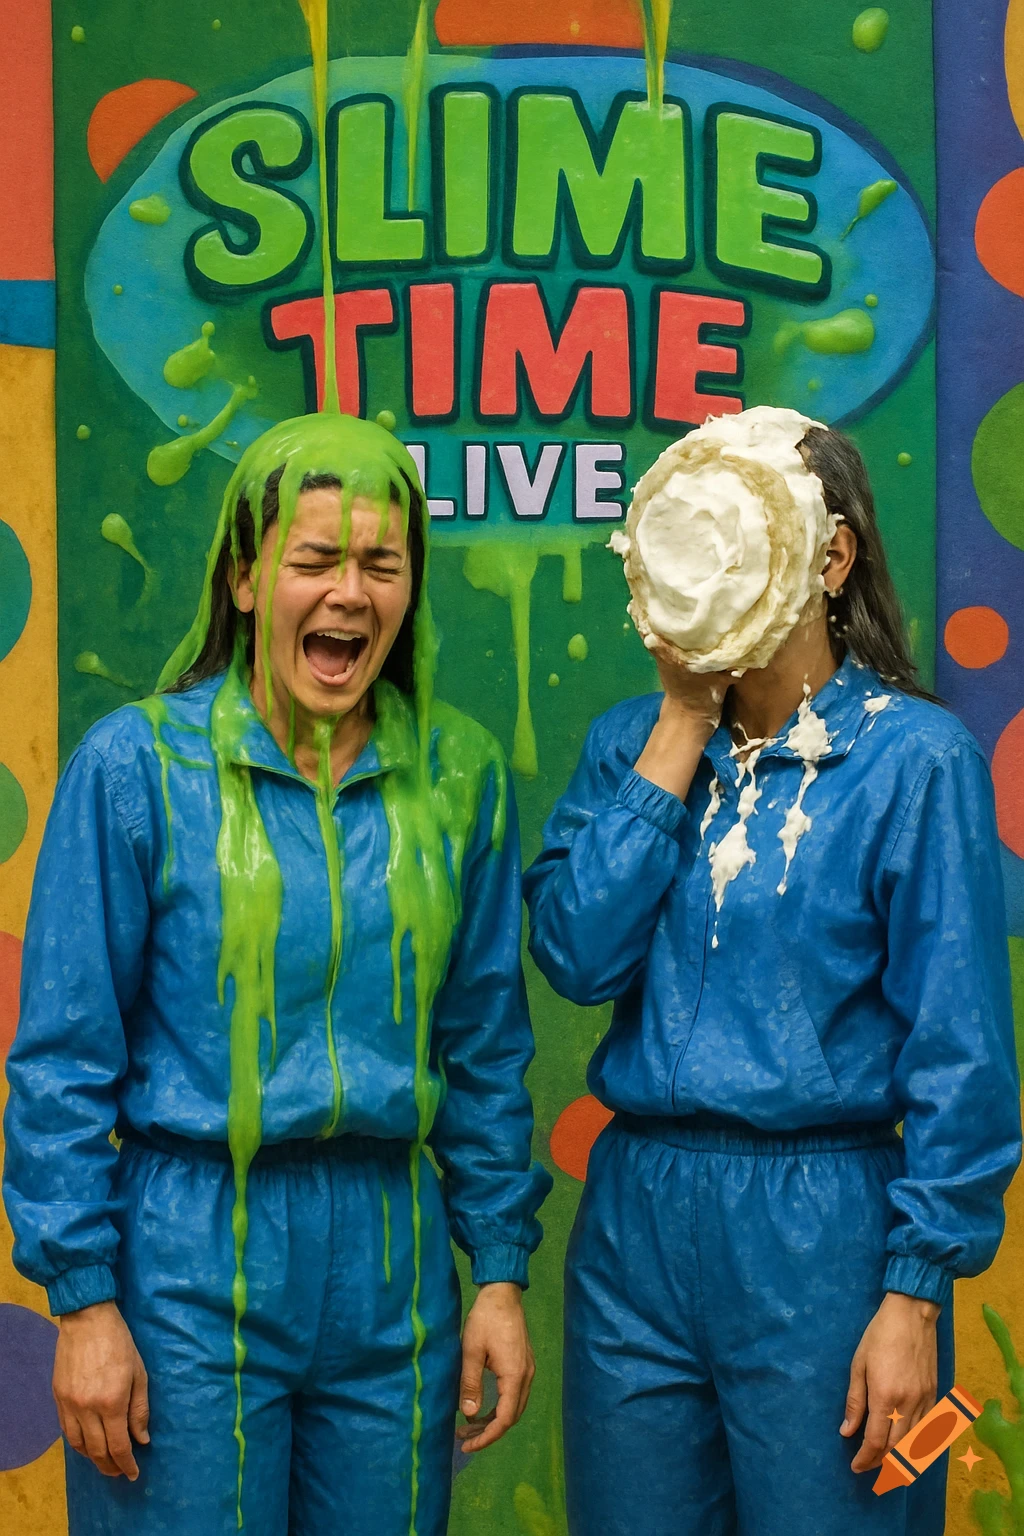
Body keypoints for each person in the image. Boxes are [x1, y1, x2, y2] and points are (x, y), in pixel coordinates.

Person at [4, 412, 551, 1536]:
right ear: (247, 578)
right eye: (314, 560)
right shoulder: (136, 769)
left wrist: (495, 1272)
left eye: (380, 565)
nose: (348, 592)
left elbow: (486, 1046)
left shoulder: (458, 776)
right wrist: (86, 1301)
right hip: (186, 1257)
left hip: (393, 1260)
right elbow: (62, 1061)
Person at [523, 419, 1021, 1536]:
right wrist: (680, 720)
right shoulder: (626, 745)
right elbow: (573, 955)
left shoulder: (914, 761)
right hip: (636, 1216)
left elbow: (961, 1052)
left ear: (829, 560)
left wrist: (913, 1291)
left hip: (826, 1226)